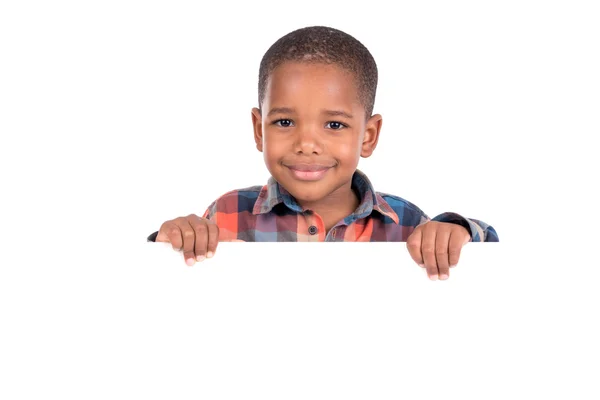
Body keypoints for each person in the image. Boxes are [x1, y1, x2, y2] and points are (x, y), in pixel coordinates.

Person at [147, 26, 499, 280]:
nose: (307, 144)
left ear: (368, 136)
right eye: (285, 121)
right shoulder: (228, 215)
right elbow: (163, 281)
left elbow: (490, 256)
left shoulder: (405, 225)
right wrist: (172, 240)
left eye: (334, 126)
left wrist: (454, 229)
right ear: (259, 130)